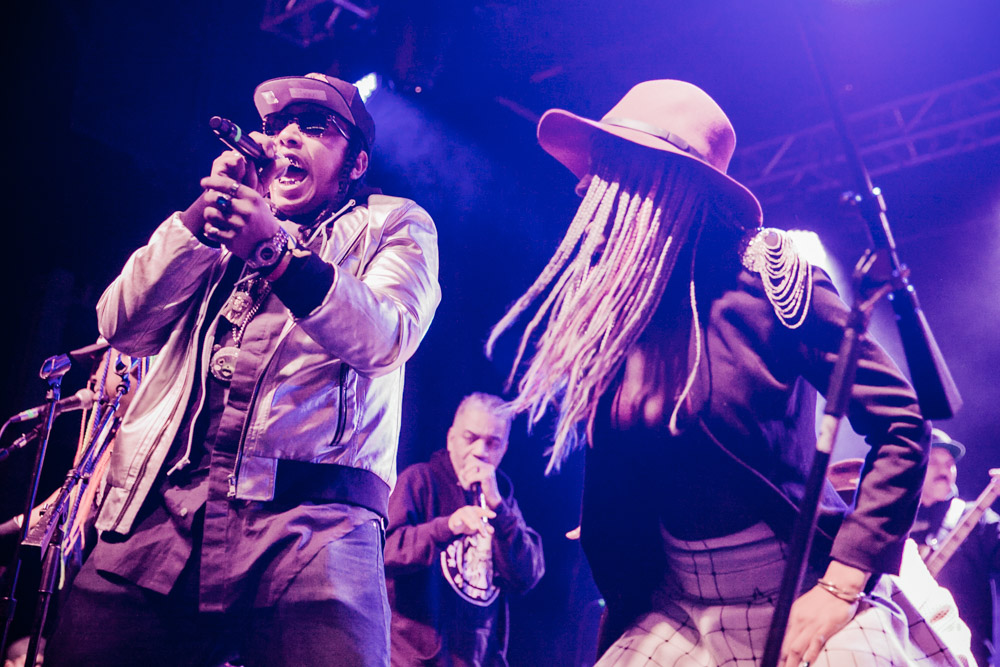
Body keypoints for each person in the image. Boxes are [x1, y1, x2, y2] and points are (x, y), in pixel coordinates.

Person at [487, 80, 974, 666]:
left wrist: (840, 587)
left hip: (798, 591)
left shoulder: (769, 280)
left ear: (659, 179)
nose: (582, 182)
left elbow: (902, 422)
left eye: (607, 166)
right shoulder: (621, 311)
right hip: (679, 605)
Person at [45, 73, 441, 667]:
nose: (286, 139)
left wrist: (274, 252)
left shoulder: (395, 223)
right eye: (275, 128)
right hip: (160, 517)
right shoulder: (216, 229)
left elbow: (386, 337)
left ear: (356, 163)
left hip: (313, 529)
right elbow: (120, 326)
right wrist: (194, 223)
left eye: (313, 128)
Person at [384, 393, 545, 666]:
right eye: (471, 438)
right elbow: (386, 553)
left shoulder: (503, 501)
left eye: (492, 443)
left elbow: (527, 576)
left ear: (504, 449)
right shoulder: (420, 480)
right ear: (451, 439)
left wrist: (499, 508)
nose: (480, 452)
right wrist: (447, 526)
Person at [911, 429, 1000, 667]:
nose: (944, 470)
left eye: (950, 464)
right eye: (934, 462)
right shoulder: (896, 521)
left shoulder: (976, 518)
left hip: (966, 658)